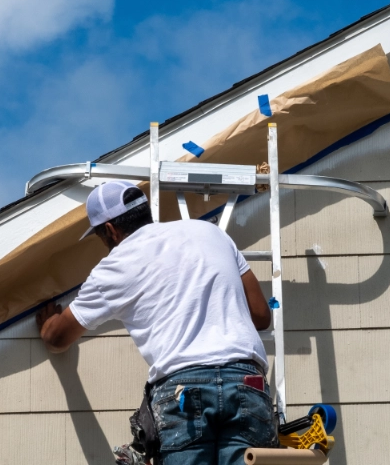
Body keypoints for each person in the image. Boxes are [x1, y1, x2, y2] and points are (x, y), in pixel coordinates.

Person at [37, 180, 277, 465]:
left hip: (183, 390)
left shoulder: (116, 266)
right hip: (246, 381)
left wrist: (48, 321)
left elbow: (57, 339)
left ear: (110, 231)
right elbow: (262, 315)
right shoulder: (209, 232)